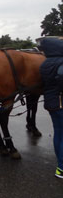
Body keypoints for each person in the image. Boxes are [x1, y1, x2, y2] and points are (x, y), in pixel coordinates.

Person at [38, 37, 63, 179]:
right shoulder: (61, 62)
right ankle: (61, 168)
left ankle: (60, 164)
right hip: (60, 102)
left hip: (51, 102)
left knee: (59, 134)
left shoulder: (45, 64)